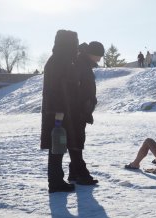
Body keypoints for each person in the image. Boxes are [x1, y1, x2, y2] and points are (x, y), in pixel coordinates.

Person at [41, 29, 79, 193]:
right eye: (74, 42)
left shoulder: (58, 60)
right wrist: (59, 114)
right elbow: (55, 89)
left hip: (61, 111)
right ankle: (55, 183)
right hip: (59, 113)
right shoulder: (58, 61)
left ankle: (56, 181)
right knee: (57, 145)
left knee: (58, 146)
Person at [67, 41, 105, 185]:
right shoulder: (80, 64)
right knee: (76, 141)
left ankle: (74, 173)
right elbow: (75, 88)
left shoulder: (84, 64)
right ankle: (81, 174)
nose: (99, 59)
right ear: (91, 53)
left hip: (81, 109)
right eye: (98, 55)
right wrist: (83, 104)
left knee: (78, 140)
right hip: (77, 110)